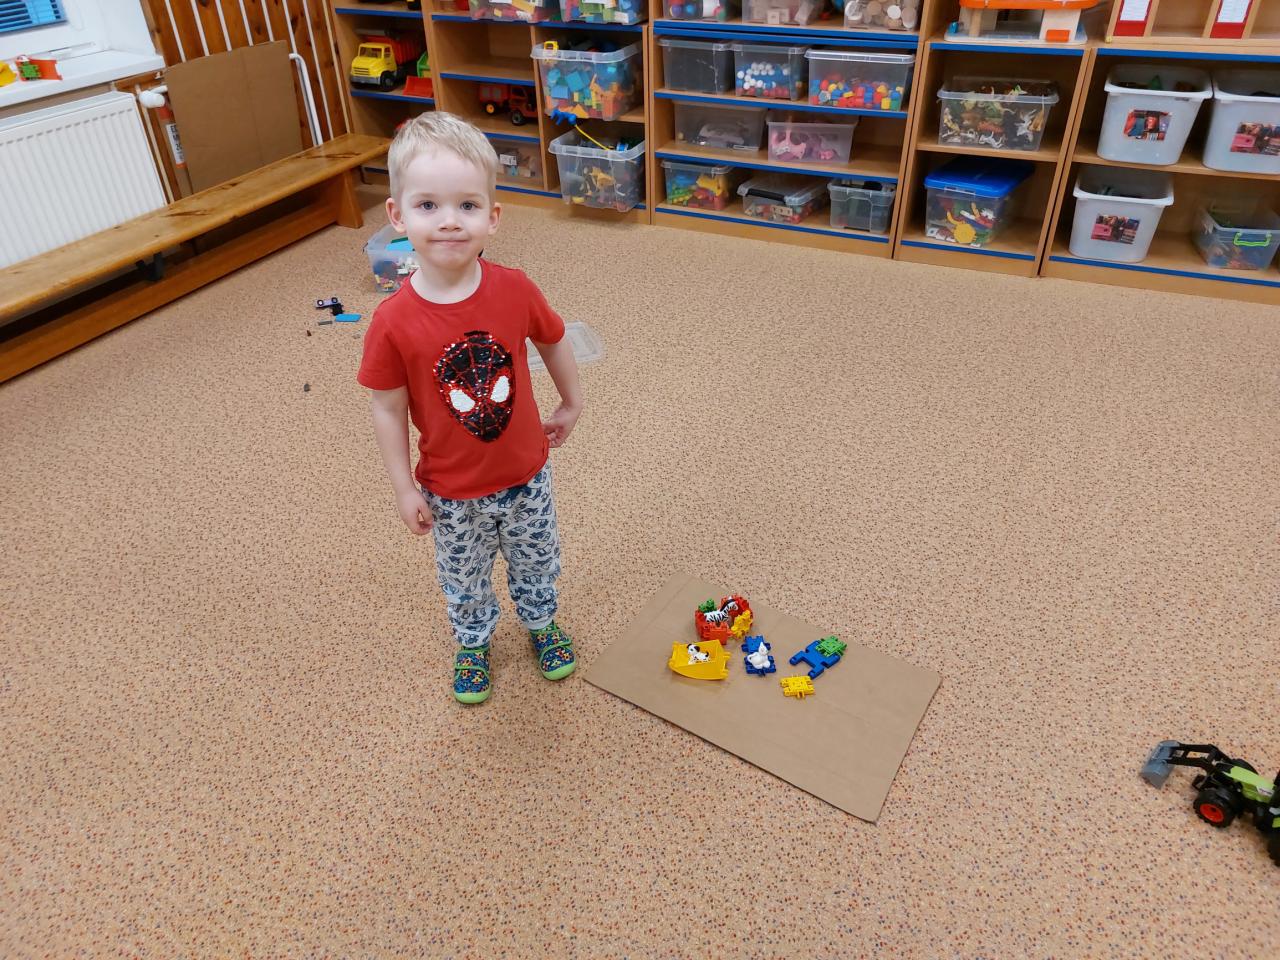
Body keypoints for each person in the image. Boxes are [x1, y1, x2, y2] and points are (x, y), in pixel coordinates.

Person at [357, 112, 583, 705]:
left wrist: (572, 401)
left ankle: (541, 624)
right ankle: (474, 642)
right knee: (463, 577)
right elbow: (387, 409)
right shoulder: (392, 322)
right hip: (452, 490)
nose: (450, 221)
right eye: (428, 205)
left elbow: (553, 338)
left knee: (538, 561)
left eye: (467, 205)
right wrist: (403, 488)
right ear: (398, 215)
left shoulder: (515, 288)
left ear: (493, 216)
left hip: (527, 474)